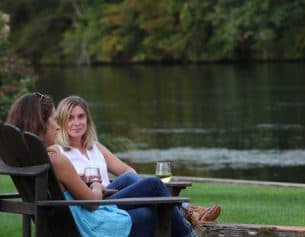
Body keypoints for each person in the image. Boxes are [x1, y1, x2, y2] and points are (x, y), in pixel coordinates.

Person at [6, 92, 241, 237]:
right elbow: (93, 202)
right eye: (55, 120)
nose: (58, 127)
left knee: (152, 193)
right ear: (41, 123)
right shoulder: (57, 159)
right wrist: (97, 185)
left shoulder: (31, 157)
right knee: (157, 200)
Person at [54, 95, 221, 224]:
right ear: (61, 121)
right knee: (140, 183)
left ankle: (187, 212)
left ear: (87, 120)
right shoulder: (60, 152)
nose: (76, 122)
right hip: (93, 204)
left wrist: (126, 190)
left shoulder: (95, 147)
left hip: (113, 198)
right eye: (70, 118)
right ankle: (187, 211)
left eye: (80, 116)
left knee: (129, 177)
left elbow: (127, 170)